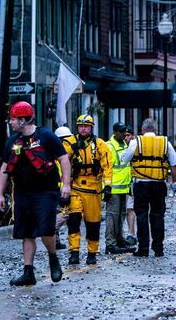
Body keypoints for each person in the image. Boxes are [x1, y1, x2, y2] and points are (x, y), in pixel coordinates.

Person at [0, 101, 70, 286]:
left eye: (12, 119)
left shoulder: (46, 136)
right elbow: (5, 167)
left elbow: (64, 159)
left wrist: (66, 185)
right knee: (26, 232)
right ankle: (28, 272)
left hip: (46, 192)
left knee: (46, 230)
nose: (10, 122)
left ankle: (53, 257)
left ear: (23, 120)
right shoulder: (13, 141)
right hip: (23, 193)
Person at [121, 118, 176, 258]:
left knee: (141, 216)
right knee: (158, 216)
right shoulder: (165, 142)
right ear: (155, 129)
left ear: (142, 129)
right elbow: (174, 163)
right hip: (158, 184)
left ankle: (143, 249)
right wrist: (174, 183)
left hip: (141, 185)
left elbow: (124, 159)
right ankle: (158, 249)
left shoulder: (136, 142)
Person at [61, 114, 111, 266]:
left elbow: (107, 165)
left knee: (93, 223)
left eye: (86, 126)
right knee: (74, 220)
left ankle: (92, 252)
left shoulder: (100, 144)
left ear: (91, 128)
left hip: (93, 188)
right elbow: (61, 161)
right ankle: (74, 252)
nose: (83, 128)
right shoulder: (70, 143)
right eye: (80, 126)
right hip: (75, 186)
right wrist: (64, 186)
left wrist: (107, 185)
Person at [104, 123, 135, 254]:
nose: (124, 135)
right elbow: (107, 168)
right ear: (115, 132)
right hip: (114, 189)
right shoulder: (109, 146)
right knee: (112, 217)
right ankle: (110, 244)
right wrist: (107, 187)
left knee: (120, 216)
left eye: (126, 133)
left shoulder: (123, 145)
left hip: (123, 188)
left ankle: (119, 240)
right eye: (122, 132)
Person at [52, 125, 73, 250]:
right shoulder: (61, 155)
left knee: (58, 213)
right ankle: (50, 231)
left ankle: (56, 241)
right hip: (61, 189)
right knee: (64, 213)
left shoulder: (57, 153)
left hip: (58, 188)